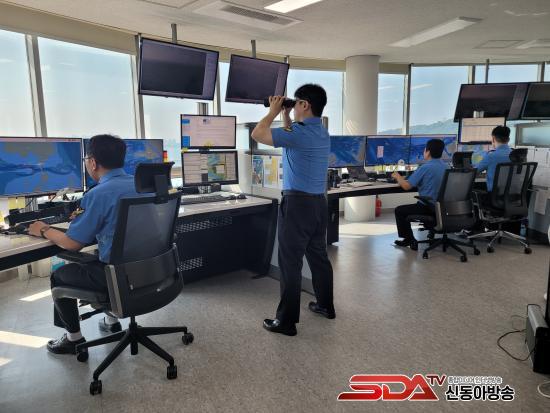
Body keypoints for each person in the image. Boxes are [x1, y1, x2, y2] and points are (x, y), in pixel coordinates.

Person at [28, 134, 138, 355]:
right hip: (150, 271)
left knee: (59, 275)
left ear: (93, 162)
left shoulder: (97, 194)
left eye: (86, 159)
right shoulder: (142, 185)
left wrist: (43, 229)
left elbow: (72, 243)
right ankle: (111, 322)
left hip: (116, 277)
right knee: (102, 253)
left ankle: (74, 339)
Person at [251, 84, 335, 336]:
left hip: (298, 205)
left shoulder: (299, 133)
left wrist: (273, 112)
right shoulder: (321, 132)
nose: (294, 106)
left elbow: (258, 133)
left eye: (296, 103)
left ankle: (286, 322)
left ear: (305, 105)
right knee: (318, 257)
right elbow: (291, 136)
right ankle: (325, 305)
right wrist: (286, 114)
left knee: (290, 263)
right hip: (318, 204)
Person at [392, 139, 448, 250]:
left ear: (428, 152)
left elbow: (407, 186)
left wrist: (398, 176)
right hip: (444, 208)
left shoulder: (425, 167)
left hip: (429, 207)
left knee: (399, 210)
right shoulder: (447, 167)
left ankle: (409, 239)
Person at [474, 125, 512, 192]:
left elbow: (474, 172)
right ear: (508, 139)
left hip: (494, 195)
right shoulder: (516, 155)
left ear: (493, 139)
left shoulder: (491, 156)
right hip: (514, 195)